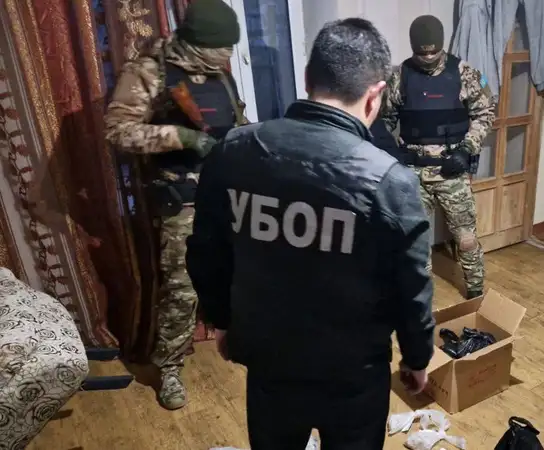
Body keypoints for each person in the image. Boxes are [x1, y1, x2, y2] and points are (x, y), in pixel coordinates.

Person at [185, 17, 435, 450]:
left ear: (307, 79)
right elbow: (412, 287)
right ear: (375, 95)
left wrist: (222, 322)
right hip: (353, 375)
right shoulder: (390, 181)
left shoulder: (234, 151)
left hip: (269, 361)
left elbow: (206, 252)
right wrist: (417, 358)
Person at [104, 0, 247, 410]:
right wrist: (180, 138)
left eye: (229, 48)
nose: (227, 55)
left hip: (228, 193)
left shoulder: (218, 72)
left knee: (236, 273)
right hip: (182, 199)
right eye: (220, 48)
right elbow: (117, 131)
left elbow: (234, 121)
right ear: (197, 42)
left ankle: (235, 339)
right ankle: (168, 367)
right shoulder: (150, 71)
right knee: (182, 289)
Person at [383, 14, 496, 300]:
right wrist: (393, 153)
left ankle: (475, 293)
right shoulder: (399, 76)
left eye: (433, 52)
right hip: (413, 174)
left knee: (466, 239)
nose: (428, 57)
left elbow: (485, 112)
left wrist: (467, 148)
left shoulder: (464, 73)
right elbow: (384, 121)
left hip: (452, 170)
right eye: (422, 53)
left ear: (441, 46)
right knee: (415, 242)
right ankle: (420, 299)